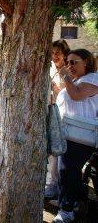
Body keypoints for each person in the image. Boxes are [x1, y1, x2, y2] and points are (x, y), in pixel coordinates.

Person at [52, 49, 98, 223]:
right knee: (68, 171)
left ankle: (67, 210)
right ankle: (70, 202)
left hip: (81, 135)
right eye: (67, 62)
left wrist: (64, 76)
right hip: (70, 132)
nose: (69, 66)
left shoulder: (92, 78)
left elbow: (76, 95)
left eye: (73, 62)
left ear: (86, 61)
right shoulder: (78, 80)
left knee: (67, 171)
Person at [45, 39, 71, 199]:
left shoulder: (68, 70)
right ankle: (51, 183)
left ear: (64, 54)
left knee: (59, 152)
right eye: (53, 52)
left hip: (65, 115)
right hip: (51, 113)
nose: (54, 56)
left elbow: (72, 92)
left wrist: (58, 89)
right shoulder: (49, 68)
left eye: (58, 53)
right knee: (51, 151)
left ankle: (55, 186)